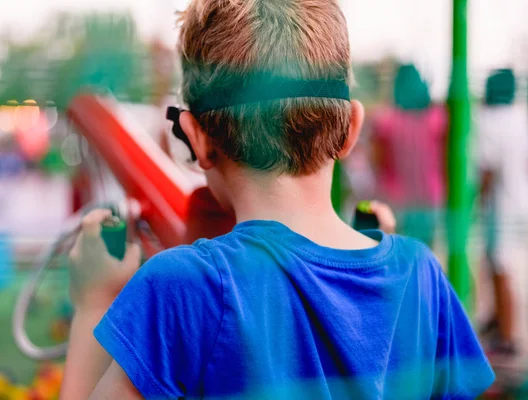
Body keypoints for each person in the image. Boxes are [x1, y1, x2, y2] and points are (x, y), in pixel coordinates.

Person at [61, 1, 494, 398]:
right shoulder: (420, 275)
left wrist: (93, 302)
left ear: (196, 139)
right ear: (350, 128)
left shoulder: (181, 286)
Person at [476, 68, 528, 357]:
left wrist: (476, 201)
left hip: (501, 204)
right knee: (495, 264)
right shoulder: (519, 116)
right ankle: (497, 320)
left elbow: (487, 169)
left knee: (501, 267)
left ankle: (508, 337)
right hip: (520, 199)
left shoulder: (489, 120)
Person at [371, 64, 448, 247]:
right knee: (424, 252)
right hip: (429, 197)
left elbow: (378, 162)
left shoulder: (387, 120)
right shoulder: (437, 118)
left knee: (400, 252)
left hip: (397, 199)